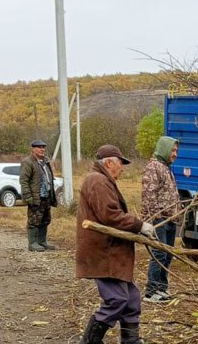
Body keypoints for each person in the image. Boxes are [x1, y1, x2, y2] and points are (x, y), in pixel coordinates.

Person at [75, 145, 157, 344]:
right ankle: (89, 341)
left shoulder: (101, 180)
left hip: (111, 251)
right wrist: (139, 225)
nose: (123, 168)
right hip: (103, 253)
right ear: (109, 162)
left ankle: (131, 341)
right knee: (117, 299)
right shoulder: (98, 181)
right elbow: (110, 215)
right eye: (121, 163)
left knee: (131, 299)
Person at [141, 136, 181, 303]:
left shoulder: (166, 167)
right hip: (159, 220)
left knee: (167, 254)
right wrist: (155, 218)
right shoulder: (153, 167)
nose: (175, 154)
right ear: (164, 149)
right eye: (172, 150)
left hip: (170, 219)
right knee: (158, 254)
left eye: (176, 151)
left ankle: (162, 288)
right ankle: (151, 291)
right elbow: (149, 196)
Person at [20, 139, 56, 252]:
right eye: (39, 147)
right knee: (34, 220)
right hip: (36, 196)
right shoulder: (28, 162)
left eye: (43, 147)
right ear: (33, 149)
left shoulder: (46, 162)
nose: (42, 149)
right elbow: (24, 180)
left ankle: (42, 241)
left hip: (46, 196)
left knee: (45, 219)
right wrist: (28, 196)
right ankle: (33, 243)